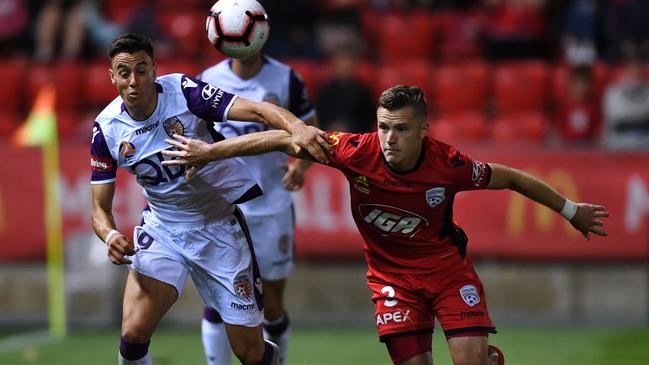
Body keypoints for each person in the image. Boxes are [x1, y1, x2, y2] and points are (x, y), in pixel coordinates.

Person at [162, 85, 610, 365]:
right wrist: (208, 152)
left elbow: (510, 177)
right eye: (382, 128)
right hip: (393, 279)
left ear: (422, 131)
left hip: (448, 273)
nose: (388, 139)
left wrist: (571, 211)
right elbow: (282, 139)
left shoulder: (448, 164)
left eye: (399, 129)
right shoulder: (356, 151)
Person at [90, 33, 329, 365]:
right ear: (112, 76)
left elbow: (259, 111)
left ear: (155, 70)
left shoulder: (186, 94)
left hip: (218, 226)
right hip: (163, 230)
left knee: (249, 352)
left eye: (141, 70)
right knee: (133, 334)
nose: (133, 81)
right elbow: (99, 209)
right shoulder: (106, 129)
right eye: (124, 72)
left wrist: (298, 128)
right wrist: (111, 234)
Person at [196, 48, 319, 364]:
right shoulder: (209, 81)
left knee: (273, 306)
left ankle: (278, 359)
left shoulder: (285, 78)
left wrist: (300, 167)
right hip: (222, 207)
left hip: (271, 207)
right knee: (219, 298)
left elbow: (310, 128)